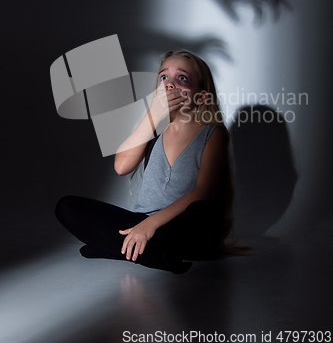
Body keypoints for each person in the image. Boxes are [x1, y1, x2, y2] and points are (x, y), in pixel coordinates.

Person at [55, 49, 235, 274]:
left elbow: (204, 192)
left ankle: (114, 247)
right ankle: (149, 255)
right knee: (67, 207)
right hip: (143, 221)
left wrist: (151, 226)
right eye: (163, 77)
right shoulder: (151, 128)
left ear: (201, 96)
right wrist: (153, 116)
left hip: (182, 226)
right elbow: (121, 167)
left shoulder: (213, 133)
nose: (169, 84)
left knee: (205, 212)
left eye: (182, 78)